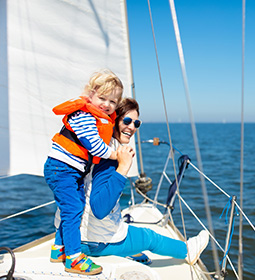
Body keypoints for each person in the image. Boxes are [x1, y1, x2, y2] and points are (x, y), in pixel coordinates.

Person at [78, 97, 210, 265]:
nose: (132, 127)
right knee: (149, 238)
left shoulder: (100, 148)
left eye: (136, 123)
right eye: (127, 121)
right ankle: (188, 251)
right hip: (96, 243)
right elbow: (99, 209)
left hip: (81, 238)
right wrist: (123, 166)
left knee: (133, 232)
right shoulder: (109, 157)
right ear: (114, 120)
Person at [44, 69, 123, 275]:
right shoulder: (84, 115)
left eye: (112, 102)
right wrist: (116, 155)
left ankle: (59, 248)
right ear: (91, 95)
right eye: (102, 98)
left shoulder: (98, 116)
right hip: (61, 169)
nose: (106, 105)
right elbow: (95, 146)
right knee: (72, 209)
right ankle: (73, 258)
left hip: (71, 171)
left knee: (74, 206)